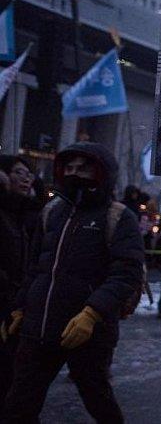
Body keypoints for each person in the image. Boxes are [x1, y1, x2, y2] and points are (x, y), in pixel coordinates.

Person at [1, 142, 144, 422]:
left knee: (99, 401)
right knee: (18, 405)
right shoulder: (52, 212)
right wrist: (20, 307)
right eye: (70, 167)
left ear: (102, 172)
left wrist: (91, 314)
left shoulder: (118, 216)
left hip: (87, 334)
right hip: (39, 329)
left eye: (84, 168)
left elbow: (127, 272)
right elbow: (36, 268)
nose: (75, 173)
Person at [0, 156, 43, 401]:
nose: (26, 178)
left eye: (29, 174)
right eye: (18, 172)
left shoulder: (27, 214)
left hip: (18, 304)